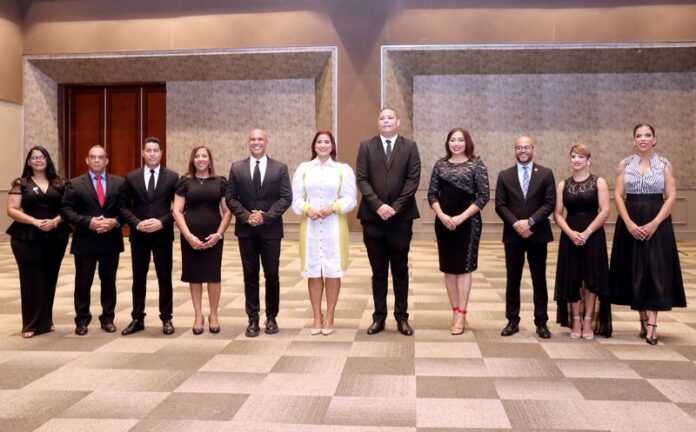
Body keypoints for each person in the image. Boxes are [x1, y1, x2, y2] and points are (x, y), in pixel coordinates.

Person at [609, 124, 686, 345]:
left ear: (654, 139)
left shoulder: (664, 164)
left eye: (647, 135)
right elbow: (618, 195)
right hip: (630, 221)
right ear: (634, 140)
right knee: (635, 270)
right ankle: (642, 318)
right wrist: (629, 223)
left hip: (657, 221)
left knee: (655, 271)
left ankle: (652, 324)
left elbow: (671, 197)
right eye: (639, 135)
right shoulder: (624, 164)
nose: (643, 139)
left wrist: (654, 223)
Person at [356, 107, 421, 336]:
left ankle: (402, 318)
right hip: (372, 219)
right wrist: (378, 206)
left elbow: (413, 179)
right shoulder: (366, 146)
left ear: (398, 122)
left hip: (401, 218)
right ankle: (379, 318)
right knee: (378, 271)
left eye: (390, 117)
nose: (386, 121)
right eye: (382, 118)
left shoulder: (410, 147)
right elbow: (362, 178)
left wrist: (395, 207)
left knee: (400, 270)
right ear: (378, 122)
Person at [226, 129, 291, 337]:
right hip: (246, 231)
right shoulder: (237, 168)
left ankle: (271, 317)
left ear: (266, 141)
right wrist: (247, 216)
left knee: (272, 274)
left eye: (260, 139)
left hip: (271, 230)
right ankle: (252, 319)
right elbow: (230, 198)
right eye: (253, 139)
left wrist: (265, 216)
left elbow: (286, 197)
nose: (256, 142)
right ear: (248, 142)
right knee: (250, 275)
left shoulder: (280, 168)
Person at [291, 131, 357, 335]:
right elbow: (296, 199)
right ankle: (316, 316)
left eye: (326, 142)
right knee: (313, 272)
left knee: (332, 271)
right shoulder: (304, 169)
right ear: (314, 145)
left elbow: (350, 199)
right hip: (310, 228)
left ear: (332, 146)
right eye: (319, 142)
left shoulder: (342, 169)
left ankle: (330, 316)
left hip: (334, 228)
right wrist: (306, 209)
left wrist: (333, 207)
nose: (322, 145)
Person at [427, 128, 489, 335]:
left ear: (467, 142)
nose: (456, 143)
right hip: (443, 223)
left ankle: (462, 313)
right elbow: (432, 194)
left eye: (460, 140)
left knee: (463, 269)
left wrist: (461, 218)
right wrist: (442, 216)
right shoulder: (440, 165)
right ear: (448, 143)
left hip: (468, 224)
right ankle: (455, 311)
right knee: (449, 268)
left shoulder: (476, 164)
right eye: (452, 140)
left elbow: (483, 196)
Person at [6, 146, 70, 338]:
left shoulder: (60, 183)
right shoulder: (21, 183)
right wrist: (34, 221)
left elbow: (68, 208)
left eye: (42, 157)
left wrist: (55, 221)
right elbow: (12, 210)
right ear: (29, 161)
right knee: (31, 278)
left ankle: (46, 321)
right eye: (34, 157)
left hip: (56, 235)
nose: (38, 160)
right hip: (27, 237)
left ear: (47, 160)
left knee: (50, 276)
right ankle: (31, 325)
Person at [495, 136, 555, 339]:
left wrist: (529, 222)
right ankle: (512, 321)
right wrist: (517, 224)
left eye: (526, 147)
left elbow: (549, 203)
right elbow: (500, 205)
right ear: (514, 150)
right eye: (519, 147)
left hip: (538, 234)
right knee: (513, 279)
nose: (523, 151)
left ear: (533, 149)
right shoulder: (504, 175)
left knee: (539, 279)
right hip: (513, 236)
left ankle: (541, 322)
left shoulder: (546, 173)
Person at [61, 144, 124, 336]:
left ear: (106, 161)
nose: (97, 160)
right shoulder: (74, 183)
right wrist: (88, 222)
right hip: (85, 240)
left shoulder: (119, 183)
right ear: (87, 160)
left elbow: (126, 209)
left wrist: (115, 222)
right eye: (93, 157)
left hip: (110, 240)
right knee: (83, 282)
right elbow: (66, 210)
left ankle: (108, 318)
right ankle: (82, 320)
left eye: (101, 157)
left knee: (109, 281)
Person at [119, 137, 179, 336]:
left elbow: (180, 208)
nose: (152, 154)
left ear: (161, 153)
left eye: (156, 151)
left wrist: (162, 221)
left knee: (164, 277)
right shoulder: (131, 177)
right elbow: (123, 206)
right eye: (149, 150)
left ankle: (167, 318)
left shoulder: (172, 177)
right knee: (138, 278)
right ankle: (137, 318)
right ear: (143, 153)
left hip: (163, 235)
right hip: (139, 235)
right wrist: (136, 223)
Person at [553, 144, 612, 340]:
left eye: (580, 157)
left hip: (593, 235)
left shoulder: (599, 182)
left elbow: (605, 210)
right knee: (573, 279)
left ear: (588, 160)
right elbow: (558, 214)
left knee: (591, 279)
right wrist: (571, 233)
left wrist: (587, 232)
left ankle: (588, 320)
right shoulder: (563, 185)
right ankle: (576, 320)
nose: (576, 160)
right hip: (570, 236)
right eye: (573, 156)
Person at [172, 146, 232, 335]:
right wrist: (188, 235)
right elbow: (177, 211)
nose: (200, 159)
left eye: (204, 156)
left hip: (214, 235)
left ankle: (214, 314)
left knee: (213, 275)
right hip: (190, 235)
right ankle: (198, 315)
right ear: (193, 160)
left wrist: (219, 234)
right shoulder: (184, 181)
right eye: (197, 156)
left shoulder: (220, 181)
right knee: (194, 275)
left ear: (210, 159)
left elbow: (227, 211)